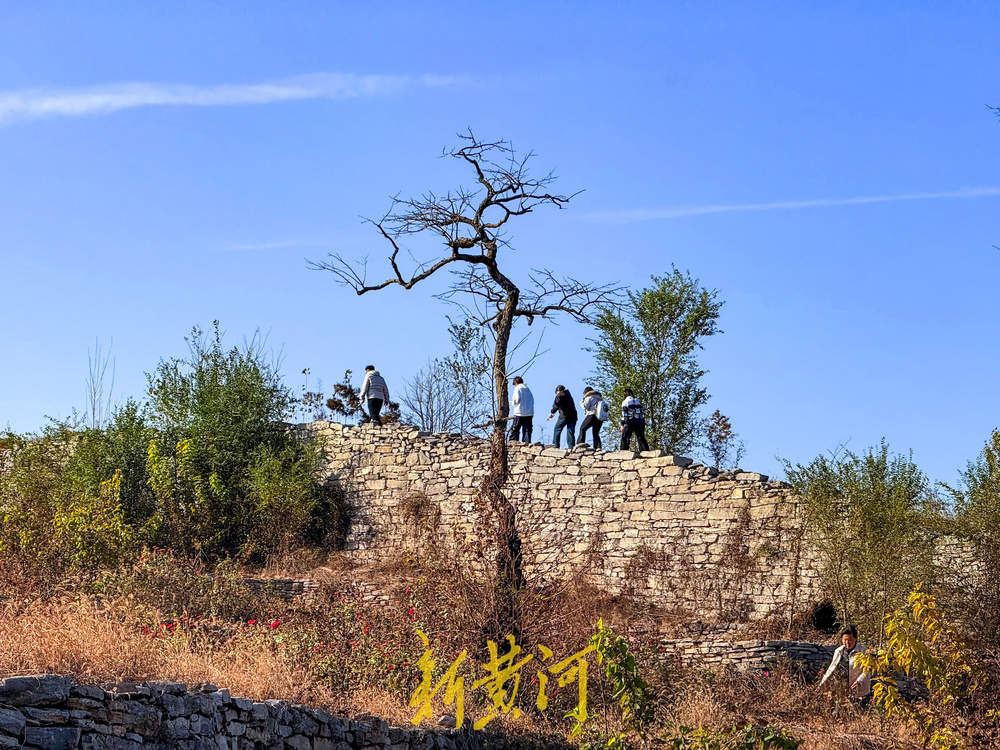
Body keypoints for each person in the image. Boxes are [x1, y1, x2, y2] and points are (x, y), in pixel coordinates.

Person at [818, 624, 871, 703]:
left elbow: (867, 670)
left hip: (858, 688)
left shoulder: (863, 651)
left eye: (850, 640)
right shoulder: (839, 651)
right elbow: (832, 668)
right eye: (845, 640)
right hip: (842, 688)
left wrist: (859, 681)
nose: (847, 642)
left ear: (855, 639)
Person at [508, 376, 534, 442]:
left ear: (516, 383)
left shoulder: (518, 388)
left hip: (519, 412)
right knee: (527, 430)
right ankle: (526, 443)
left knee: (515, 429)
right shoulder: (527, 389)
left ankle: (513, 442)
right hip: (529, 413)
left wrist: (510, 403)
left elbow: (516, 400)